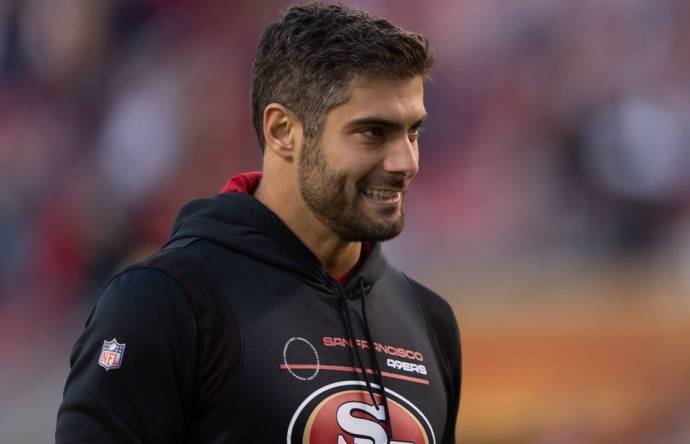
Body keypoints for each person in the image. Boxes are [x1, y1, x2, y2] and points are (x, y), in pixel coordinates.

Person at [55, 3, 461, 443]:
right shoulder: (165, 302)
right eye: (372, 133)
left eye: (413, 132)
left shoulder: (429, 323)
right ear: (282, 131)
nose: (405, 162)